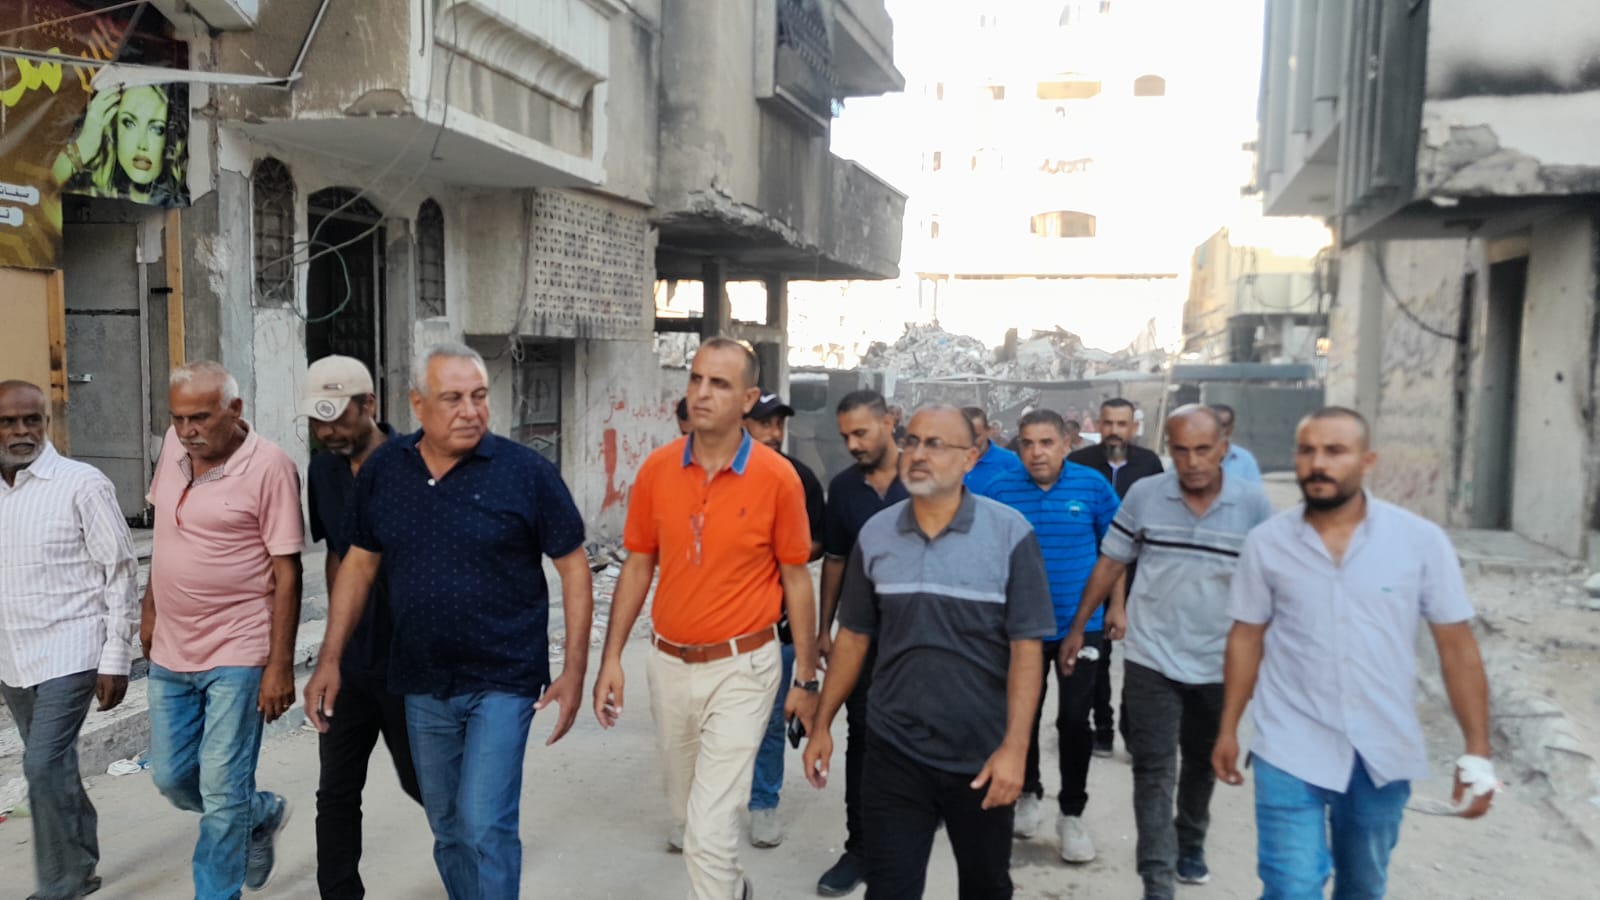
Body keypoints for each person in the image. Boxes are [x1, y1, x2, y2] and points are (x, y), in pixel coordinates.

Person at [303, 344, 592, 900]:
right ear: (418, 404)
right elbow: (358, 563)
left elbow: (574, 566)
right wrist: (331, 658)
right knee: (450, 828)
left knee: (485, 824)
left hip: (503, 677)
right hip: (422, 680)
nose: (470, 411)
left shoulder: (525, 472)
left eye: (479, 397)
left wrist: (574, 669)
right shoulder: (387, 470)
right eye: (453, 398)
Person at [1213, 407, 1494, 898]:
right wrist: (1228, 727)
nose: (1318, 464)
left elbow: (1456, 648)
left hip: (1382, 747)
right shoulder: (1267, 544)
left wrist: (1478, 750)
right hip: (1290, 742)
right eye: (1307, 451)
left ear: (1367, 461)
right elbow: (1246, 637)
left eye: (1335, 451)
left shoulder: (1420, 541)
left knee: (1363, 886)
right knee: (1291, 887)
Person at [593, 338, 819, 900]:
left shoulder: (778, 478)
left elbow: (797, 580)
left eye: (719, 383)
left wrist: (806, 678)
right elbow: (638, 564)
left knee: (709, 833)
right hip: (668, 664)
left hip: (745, 667)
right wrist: (611, 658)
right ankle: (734, 890)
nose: (701, 392)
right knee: (687, 813)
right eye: (696, 379)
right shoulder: (657, 470)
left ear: (747, 399)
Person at [802, 404, 1054, 900]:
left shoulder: (1010, 535)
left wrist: (1015, 751)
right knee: (889, 889)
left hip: (980, 754)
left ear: (970, 458)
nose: (917, 454)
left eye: (935, 444)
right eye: (911, 441)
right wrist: (822, 724)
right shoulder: (877, 535)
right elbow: (854, 636)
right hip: (894, 750)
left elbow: (1027, 650)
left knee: (985, 888)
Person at [1061, 406, 1274, 900]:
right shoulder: (1145, 495)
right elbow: (1111, 561)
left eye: (1203, 450)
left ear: (1224, 449)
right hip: (1151, 657)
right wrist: (1078, 627)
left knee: (1201, 760)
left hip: (1219, 662)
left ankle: (1191, 839)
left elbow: (1271, 586)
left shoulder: (1253, 506)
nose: (1192, 462)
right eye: (1181, 450)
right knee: (1154, 769)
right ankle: (1157, 882)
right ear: (1168, 450)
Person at [142, 361, 303, 898]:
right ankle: (260, 813)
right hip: (172, 646)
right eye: (178, 418)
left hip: (239, 646)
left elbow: (287, 571)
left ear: (235, 410)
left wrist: (279, 664)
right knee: (171, 777)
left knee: (221, 787)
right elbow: (164, 533)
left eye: (200, 418)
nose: (188, 430)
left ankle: (216, 891)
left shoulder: (271, 467)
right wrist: (149, 607)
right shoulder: (174, 447)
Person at [0, 380, 138, 900]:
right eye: (8, 422)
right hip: (12, 652)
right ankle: (79, 865)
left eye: (32, 420)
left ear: (47, 421)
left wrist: (117, 657)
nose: (22, 431)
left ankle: (59, 886)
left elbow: (120, 570)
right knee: (53, 766)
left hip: (72, 647)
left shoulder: (82, 484)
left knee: (40, 764)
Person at [301, 356, 423, 899]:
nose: (327, 432)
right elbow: (336, 553)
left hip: (411, 662)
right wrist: (335, 642)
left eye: (337, 417)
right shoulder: (322, 472)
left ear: (369, 404)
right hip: (350, 662)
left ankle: (479, 856)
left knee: (424, 783)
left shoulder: (416, 462)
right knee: (336, 791)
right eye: (317, 420)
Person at [977, 409, 1119, 860]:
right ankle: (1028, 793)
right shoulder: (1000, 490)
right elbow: (988, 557)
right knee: (1024, 714)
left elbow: (1115, 552)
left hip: (1083, 626)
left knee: (1075, 720)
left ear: (1066, 444)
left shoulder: (1093, 487)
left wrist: (1117, 606)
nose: (1036, 452)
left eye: (1046, 443)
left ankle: (1072, 814)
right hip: (1022, 630)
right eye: (1027, 443)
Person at [815, 389, 909, 896]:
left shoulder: (926, 478)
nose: (852, 444)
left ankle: (913, 830)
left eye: (861, 433)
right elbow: (835, 560)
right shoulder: (845, 489)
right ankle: (861, 848)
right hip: (863, 638)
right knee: (864, 740)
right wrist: (823, 629)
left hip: (921, 639)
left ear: (890, 421)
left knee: (922, 739)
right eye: (845, 436)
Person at [740, 391, 826, 849]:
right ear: (742, 423)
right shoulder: (719, 476)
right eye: (764, 423)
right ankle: (694, 808)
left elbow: (817, 545)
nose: (774, 433)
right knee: (706, 722)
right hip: (721, 629)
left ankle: (763, 804)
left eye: (779, 424)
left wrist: (776, 548)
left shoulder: (799, 477)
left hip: (779, 628)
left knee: (772, 722)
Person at [1068, 398, 1165, 757]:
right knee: (1098, 654)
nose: (1114, 431)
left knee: (1140, 658)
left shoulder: (1149, 465)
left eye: (1121, 424)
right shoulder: (1080, 463)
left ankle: (1132, 729)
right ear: (1098, 425)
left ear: (1133, 427)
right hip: (1093, 572)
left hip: (1140, 573)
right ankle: (1103, 729)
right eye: (1108, 423)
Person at [53, 84, 189, 206]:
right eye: (129, 123)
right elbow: (44, 194)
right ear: (114, 127)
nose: (142, 144)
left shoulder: (182, 206)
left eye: (157, 129)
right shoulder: (88, 196)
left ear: (172, 138)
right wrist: (84, 146)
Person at [960, 407, 1024, 495]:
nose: (971, 441)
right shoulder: (951, 462)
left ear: (988, 431)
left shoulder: (1009, 461)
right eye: (965, 436)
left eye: (976, 436)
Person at [1212, 403, 1263, 484]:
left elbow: (1254, 490)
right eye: (1213, 424)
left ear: (1231, 429)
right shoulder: (1193, 457)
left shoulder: (1244, 459)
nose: (1217, 429)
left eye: (1223, 425)